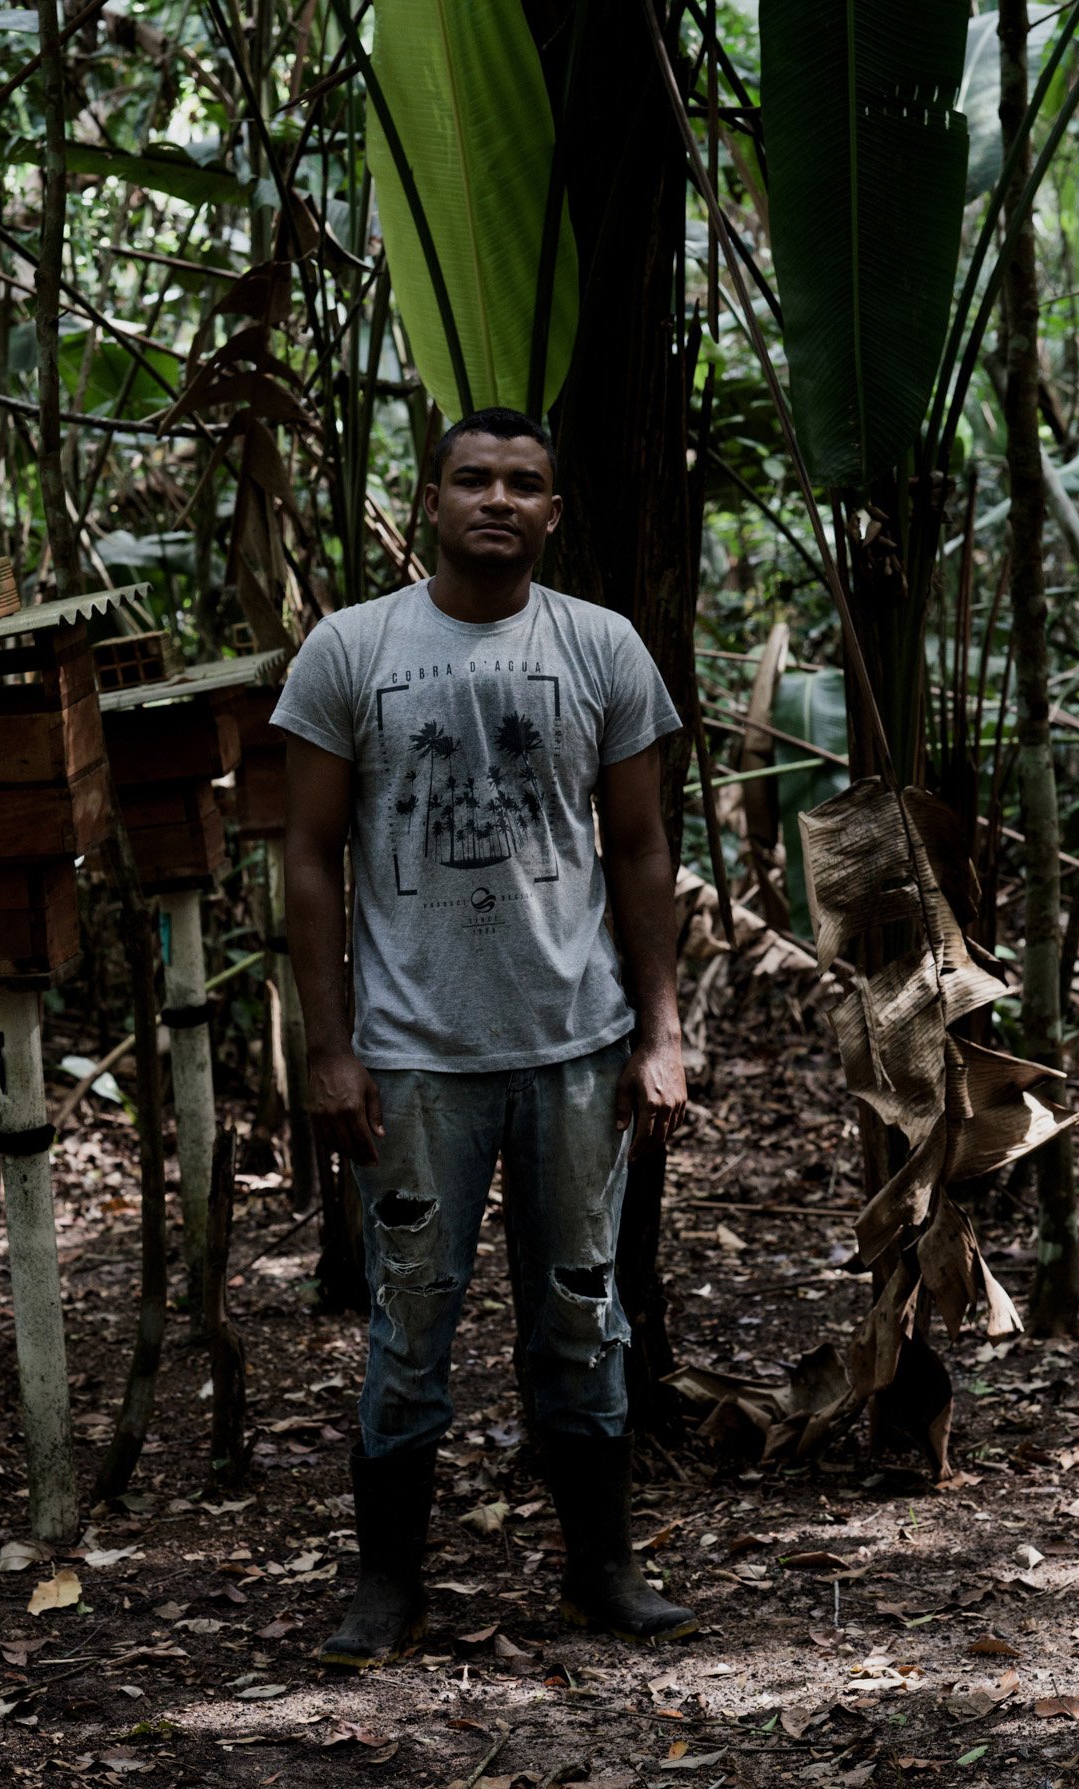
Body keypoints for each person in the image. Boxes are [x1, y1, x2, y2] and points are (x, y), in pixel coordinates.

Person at [272, 406, 696, 1669]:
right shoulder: (352, 650)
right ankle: (387, 1586)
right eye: (473, 480)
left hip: (575, 1046)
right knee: (409, 1332)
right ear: (432, 501)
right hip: (412, 1058)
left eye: (523, 484)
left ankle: (601, 1570)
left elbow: (639, 849)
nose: (497, 500)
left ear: (554, 512)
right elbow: (305, 856)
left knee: (582, 1317)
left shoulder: (601, 647)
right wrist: (330, 1048)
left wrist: (662, 1031)